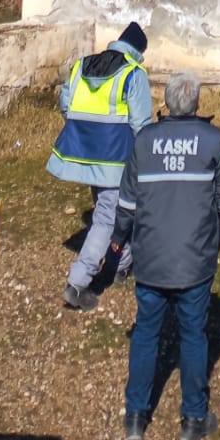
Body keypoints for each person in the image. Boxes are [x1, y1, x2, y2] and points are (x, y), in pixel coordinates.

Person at [113, 70, 220, 440]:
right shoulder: (211, 141)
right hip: (195, 262)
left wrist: (116, 243)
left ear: (166, 103)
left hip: (151, 259)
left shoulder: (144, 142)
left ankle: (136, 418)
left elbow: (126, 204)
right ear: (197, 104)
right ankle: (193, 420)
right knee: (193, 335)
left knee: (145, 333)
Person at [46, 21, 152, 311]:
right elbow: (141, 124)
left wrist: (87, 132)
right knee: (107, 217)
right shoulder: (133, 72)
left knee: (111, 210)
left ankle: (120, 265)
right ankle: (78, 283)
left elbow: (66, 105)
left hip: (84, 154)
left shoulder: (83, 65)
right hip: (117, 159)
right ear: (139, 50)